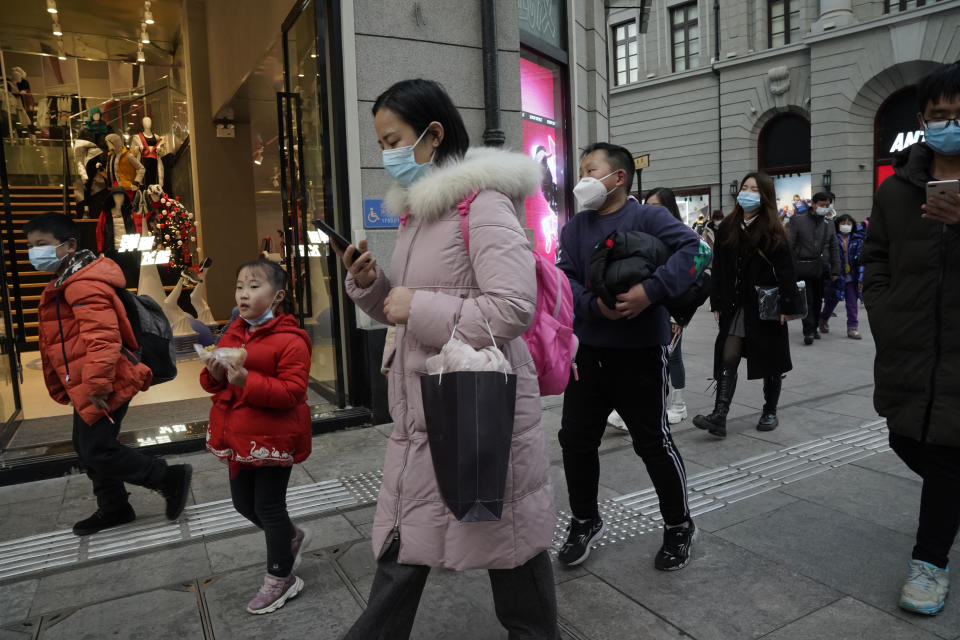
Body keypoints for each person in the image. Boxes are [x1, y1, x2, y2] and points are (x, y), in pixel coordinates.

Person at [337, 79, 559, 639]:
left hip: (475, 408)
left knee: (510, 547)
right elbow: (408, 305)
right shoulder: (421, 215)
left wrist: (419, 306)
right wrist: (372, 285)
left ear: (433, 135)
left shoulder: (481, 206)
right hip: (426, 408)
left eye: (394, 139)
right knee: (411, 542)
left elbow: (513, 309)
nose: (387, 154)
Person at [557, 143, 700, 571]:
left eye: (590, 169)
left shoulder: (649, 217)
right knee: (576, 441)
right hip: (587, 354)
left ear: (618, 177)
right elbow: (564, 278)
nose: (581, 178)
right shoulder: (573, 228)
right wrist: (591, 306)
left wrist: (650, 292)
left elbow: (699, 252)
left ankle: (679, 525)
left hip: (639, 352)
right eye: (580, 170)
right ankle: (584, 519)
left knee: (653, 442)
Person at [862, 61, 960, 616]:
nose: (950, 124)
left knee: (947, 455)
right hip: (911, 341)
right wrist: (883, 309)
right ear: (924, 118)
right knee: (906, 437)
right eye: (940, 115)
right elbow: (876, 257)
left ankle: (930, 561)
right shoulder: (896, 189)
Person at [24, 213, 192, 537]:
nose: (34, 253)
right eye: (31, 246)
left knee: (96, 448)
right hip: (87, 380)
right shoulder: (67, 282)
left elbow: (103, 338)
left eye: (42, 245)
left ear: (70, 245)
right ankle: (114, 506)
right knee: (88, 445)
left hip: (103, 379)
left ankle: (166, 478)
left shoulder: (83, 285)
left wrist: (98, 384)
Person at [199, 258, 313, 615]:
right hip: (237, 438)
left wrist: (247, 380)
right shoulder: (233, 331)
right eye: (239, 287)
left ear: (277, 296)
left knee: (268, 507)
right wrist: (214, 373)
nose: (244, 294)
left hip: (274, 440)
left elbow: (292, 392)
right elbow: (213, 386)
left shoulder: (292, 340)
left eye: (253, 287)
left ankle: (281, 578)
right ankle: (289, 537)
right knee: (242, 505)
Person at [693, 172, 802, 437]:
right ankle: (719, 416)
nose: (748, 193)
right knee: (728, 355)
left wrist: (788, 308)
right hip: (735, 304)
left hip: (766, 305)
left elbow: (786, 270)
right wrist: (716, 301)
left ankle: (770, 410)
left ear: (764, 196)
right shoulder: (728, 225)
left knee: (770, 360)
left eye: (754, 189)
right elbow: (718, 267)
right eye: (745, 187)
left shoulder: (775, 228)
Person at [786, 191, 840, 345]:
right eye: (822, 205)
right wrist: (789, 266)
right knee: (807, 299)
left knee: (817, 299)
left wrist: (835, 268)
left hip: (820, 267)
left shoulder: (829, 224)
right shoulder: (797, 220)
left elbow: (834, 247)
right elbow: (790, 244)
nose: (825, 208)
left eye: (827, 205)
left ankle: (815, 327)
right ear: (814, 204)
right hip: (802, 266)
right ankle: (808, 330)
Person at [819, 214, 864, 339]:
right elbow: (828, 258)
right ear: (838, 225)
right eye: (843, 223)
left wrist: (861, 279)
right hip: (836, 276)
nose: (846, 226)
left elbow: (862, 261)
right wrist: (831, 272)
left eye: (849, 223)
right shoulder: (832, 238)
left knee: (852, 304)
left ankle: (852, 328)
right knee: (831, 301)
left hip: (851, 278)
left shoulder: (857, 239)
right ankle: (823, 319)